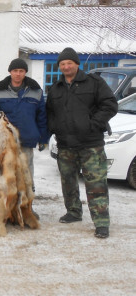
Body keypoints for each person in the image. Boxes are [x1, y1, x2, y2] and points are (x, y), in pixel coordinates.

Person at [46, 47, 117, 238]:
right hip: (65, 144)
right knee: (68, 181)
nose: (66, 66)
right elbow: (50, 111)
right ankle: (73, 212)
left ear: (77, 64)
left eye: (70, 63)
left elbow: (110, 104)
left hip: (90, 143)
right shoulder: (56, 87)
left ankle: (101, 222)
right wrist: (54, 127)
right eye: (63, 64)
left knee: (96, 184)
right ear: (59, 67)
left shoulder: (94, 83)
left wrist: (93, 124)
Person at [0, 58, 49, 217]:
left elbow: (42, 116)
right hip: (5, 142)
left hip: (26, 141)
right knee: (4, 175)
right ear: (10, 72)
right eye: (15, 71)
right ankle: (5, 209)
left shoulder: (36, 91)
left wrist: (43, 138)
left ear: (25, 72)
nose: (18, 74)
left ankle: (27, 208)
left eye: (21, 71)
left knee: (26, 176)